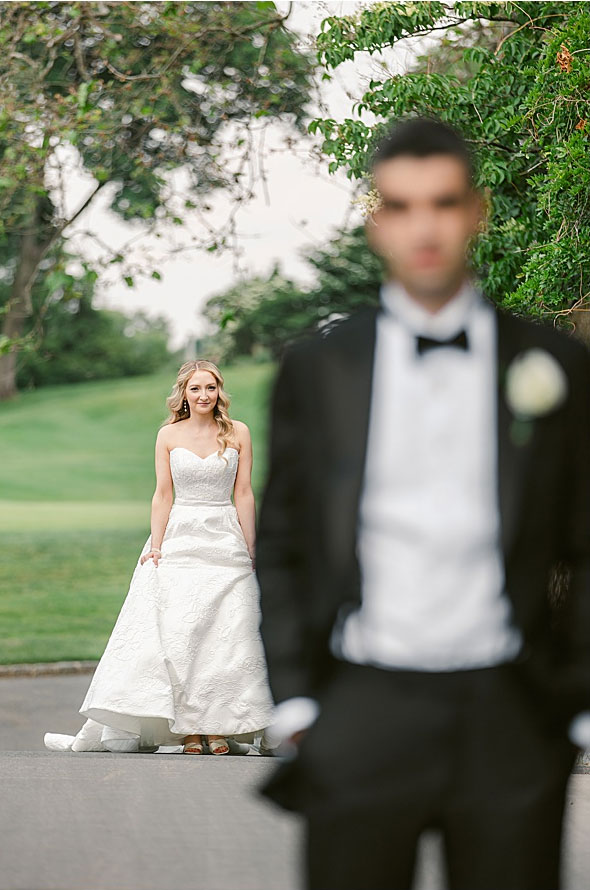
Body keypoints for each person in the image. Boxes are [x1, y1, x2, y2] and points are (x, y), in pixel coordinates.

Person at [254, 116, 590, 889]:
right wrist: (298, 700)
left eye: (443, 202)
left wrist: (575, 698)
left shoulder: (552, 364)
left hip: (509, 711)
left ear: (476, 210)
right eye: (401, 206)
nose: (425, 227)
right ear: (378, 222)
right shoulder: (320, 367)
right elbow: (283, 541)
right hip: (364, 704)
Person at [44, 359, 275, 755]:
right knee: (180, 634)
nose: (204, 396)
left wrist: (252, 547)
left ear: (220, 391)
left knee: (228, 636)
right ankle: (187, 731)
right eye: (195, 388)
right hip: (180, 538)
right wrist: (156, 545)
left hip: (225, 539)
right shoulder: (168, 435)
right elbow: (163, 494)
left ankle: (218, 727)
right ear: (183, 394)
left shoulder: (237, 433)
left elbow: (244, 494)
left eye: (210, 388)